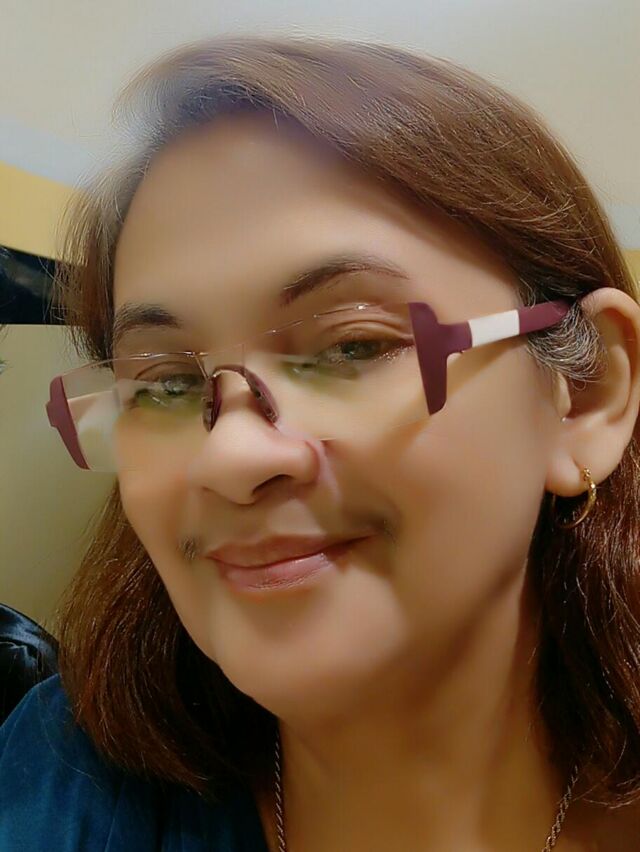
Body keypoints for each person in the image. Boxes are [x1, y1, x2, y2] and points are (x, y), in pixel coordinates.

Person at [1, 36, 639, 852]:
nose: (231, 458)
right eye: (165, 383)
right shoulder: (63, 778)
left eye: (352, 346)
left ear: (585, 395)